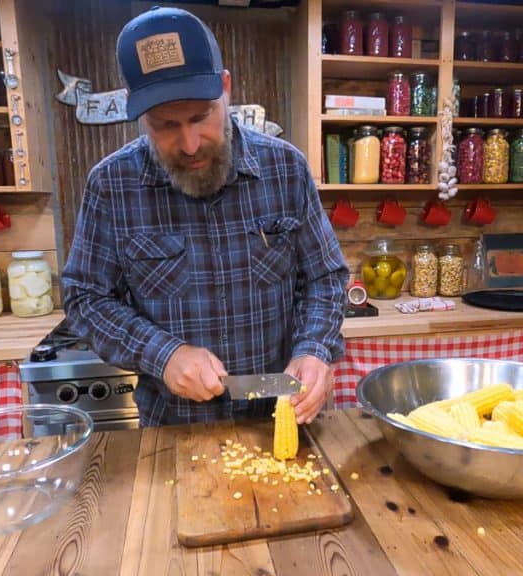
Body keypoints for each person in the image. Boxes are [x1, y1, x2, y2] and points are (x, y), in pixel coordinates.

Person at [61, 6, 349, 427]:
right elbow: (85, 298)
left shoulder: (285, 168)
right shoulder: (111, 184)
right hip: (174, 433)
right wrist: (163, 354)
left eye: (201, 117)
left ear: (226, 88)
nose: (191, 144)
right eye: (165, 126)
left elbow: (325, 278)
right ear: (139, 114)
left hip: (284, 419)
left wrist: (314, 350)